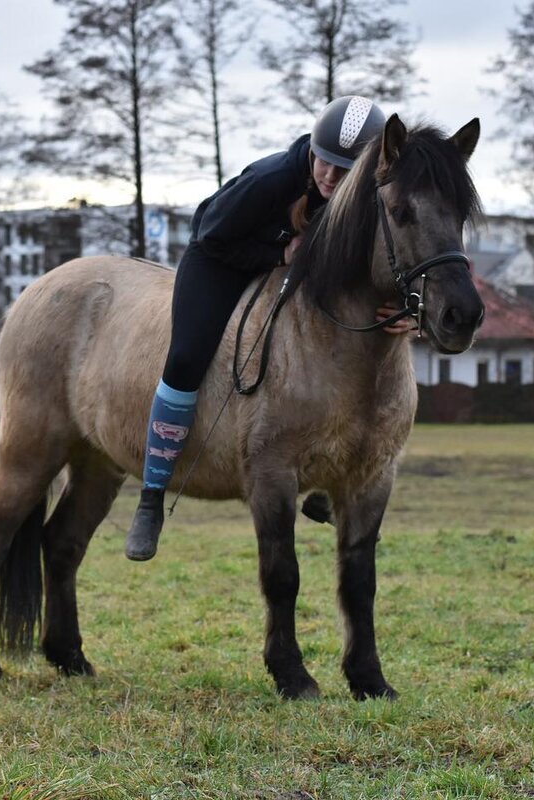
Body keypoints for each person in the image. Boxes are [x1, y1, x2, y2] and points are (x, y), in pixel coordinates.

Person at [126, 95, 410, 562]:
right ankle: (151, 495)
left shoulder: (369, 197)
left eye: (345, 170)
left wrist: (405, 312)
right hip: (220, 258)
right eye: (324, 161)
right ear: (311, 149)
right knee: (186, 358)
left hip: (292, 265)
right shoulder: (271, 179)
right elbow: (210, 234)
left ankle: (332, 487)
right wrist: (277, 255)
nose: (330, 176)